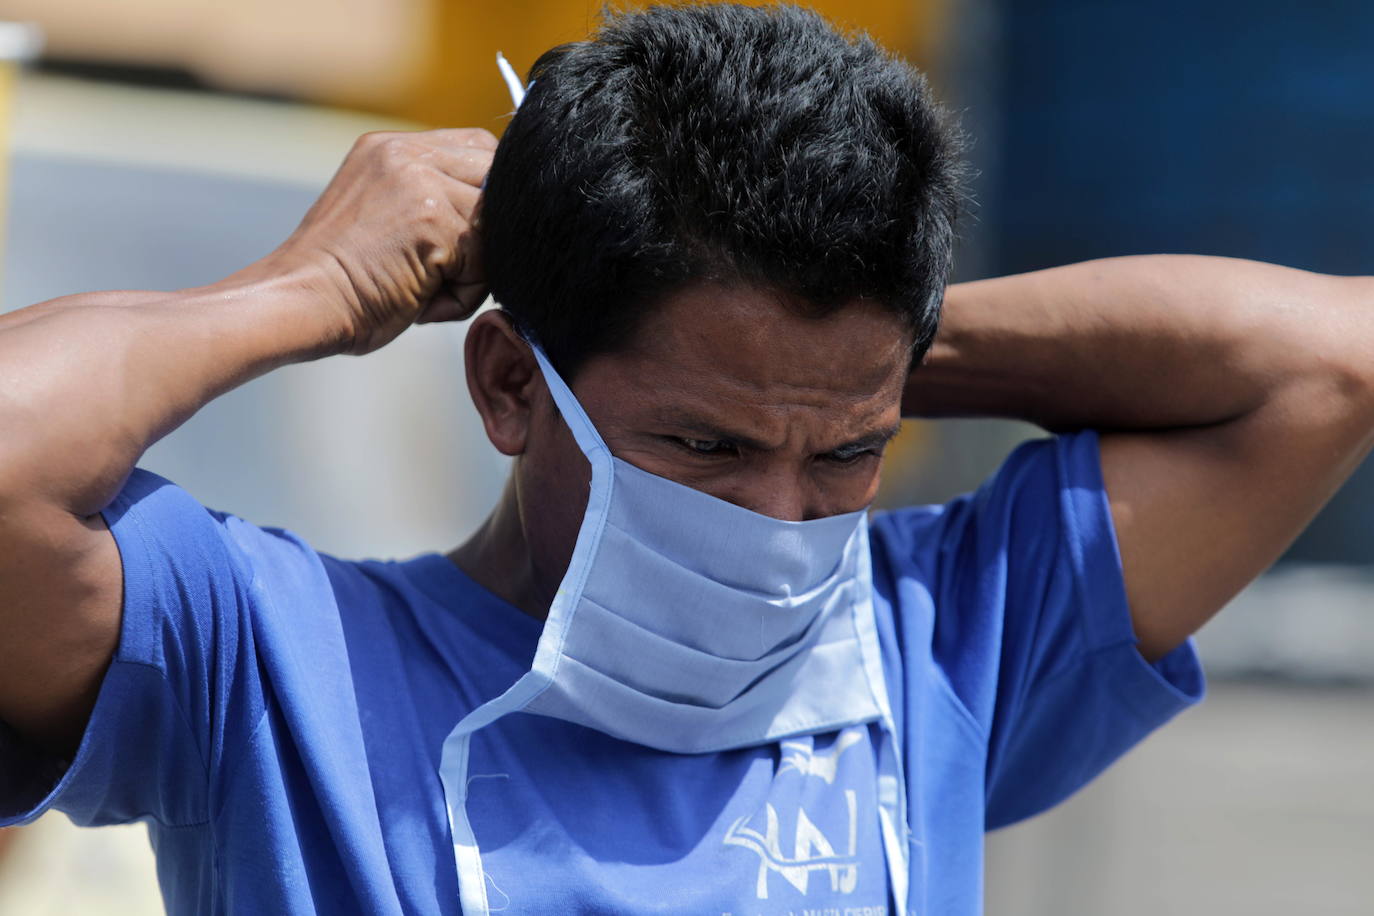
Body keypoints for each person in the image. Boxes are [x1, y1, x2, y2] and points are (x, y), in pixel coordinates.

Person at [0, 3, 1369, 914]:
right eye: (701, 443)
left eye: (846, 454)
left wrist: (852, 354)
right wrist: (302, 291)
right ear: (510, 385)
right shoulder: (263, 660)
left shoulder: (933, 641)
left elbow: (1326, 362)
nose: (778, 519)